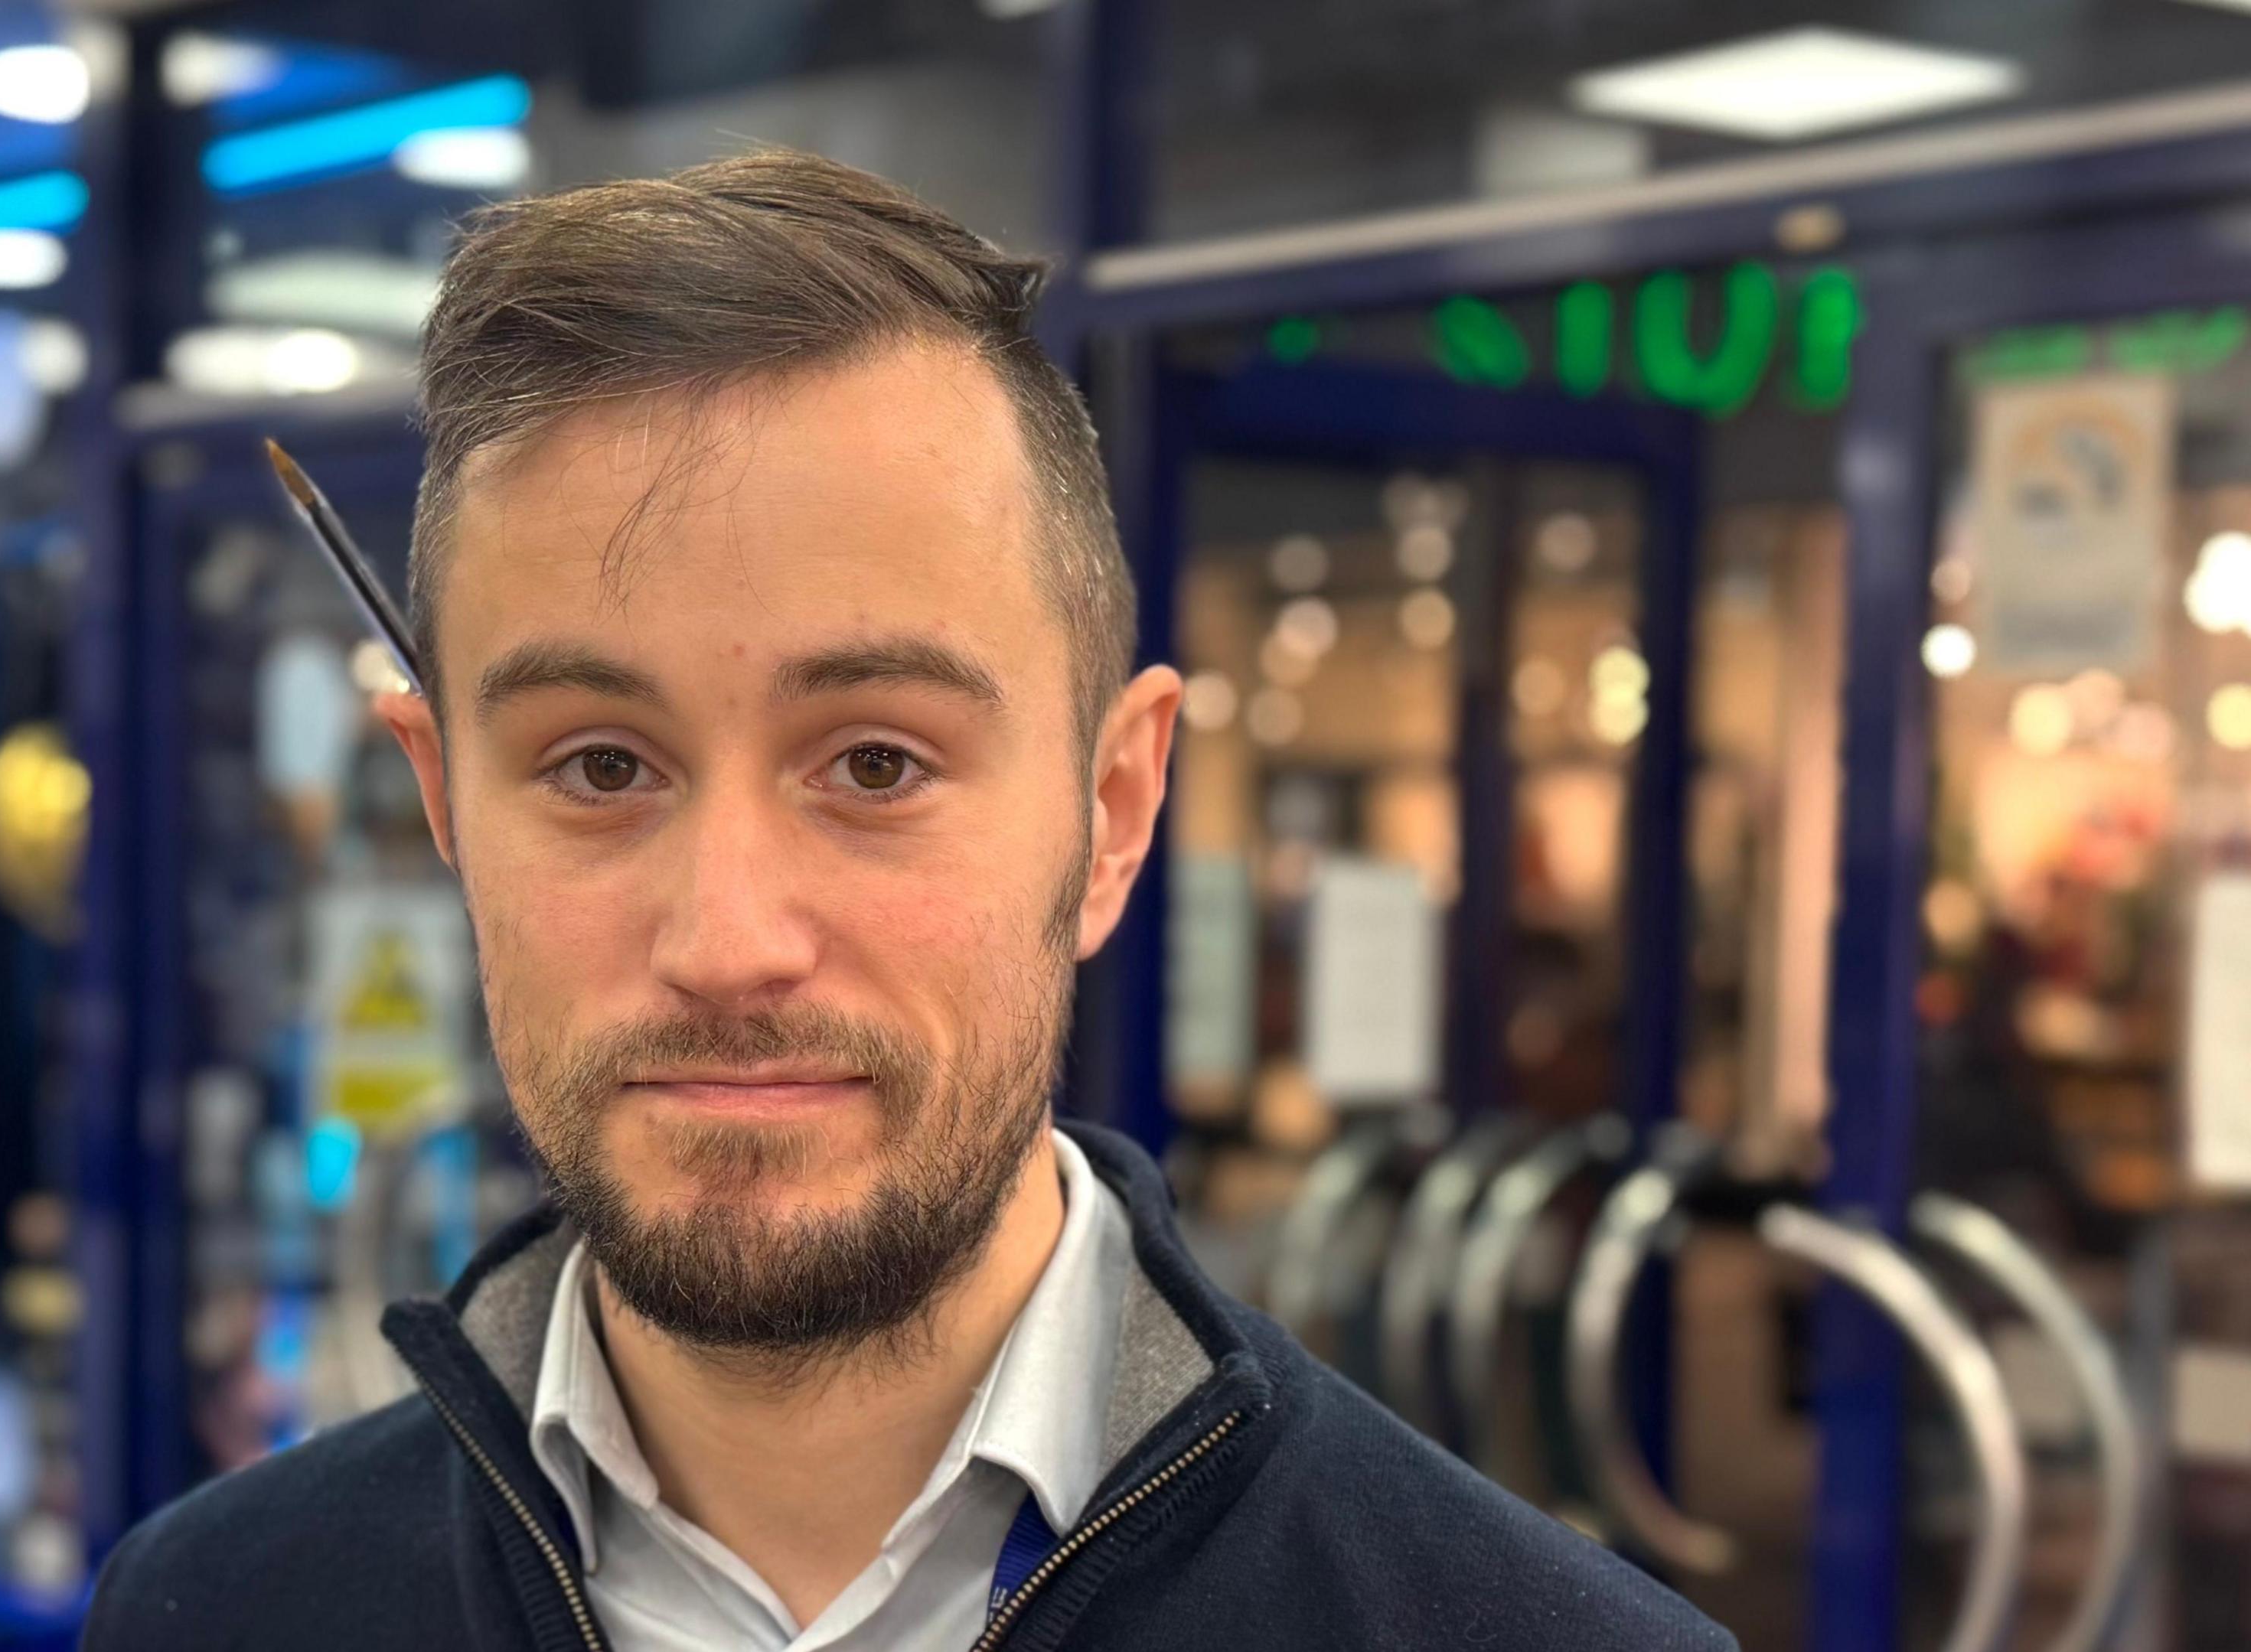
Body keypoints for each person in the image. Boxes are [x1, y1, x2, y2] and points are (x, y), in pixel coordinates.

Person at [85, 148, 1734, 1652]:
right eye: (599, 768)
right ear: (444, 806)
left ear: (1111, 814)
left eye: (874, 764)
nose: (729, 942)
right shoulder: (214, 1615)